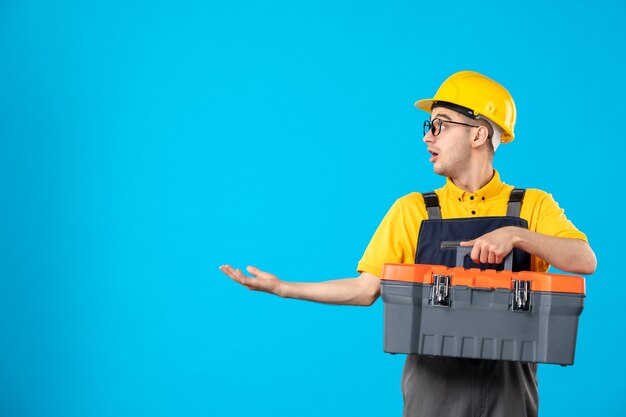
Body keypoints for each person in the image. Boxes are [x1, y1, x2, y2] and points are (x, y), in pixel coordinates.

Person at [219, 70, 596, 417]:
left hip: (511, 388)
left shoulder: (532, 206)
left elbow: (584, 260)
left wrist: (517, 235)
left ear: (479, 134)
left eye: (439, 125)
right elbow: (367, 289)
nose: (427, 136)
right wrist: (284, 288)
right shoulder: (413, 210)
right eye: (428, 125)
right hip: (433, 388)